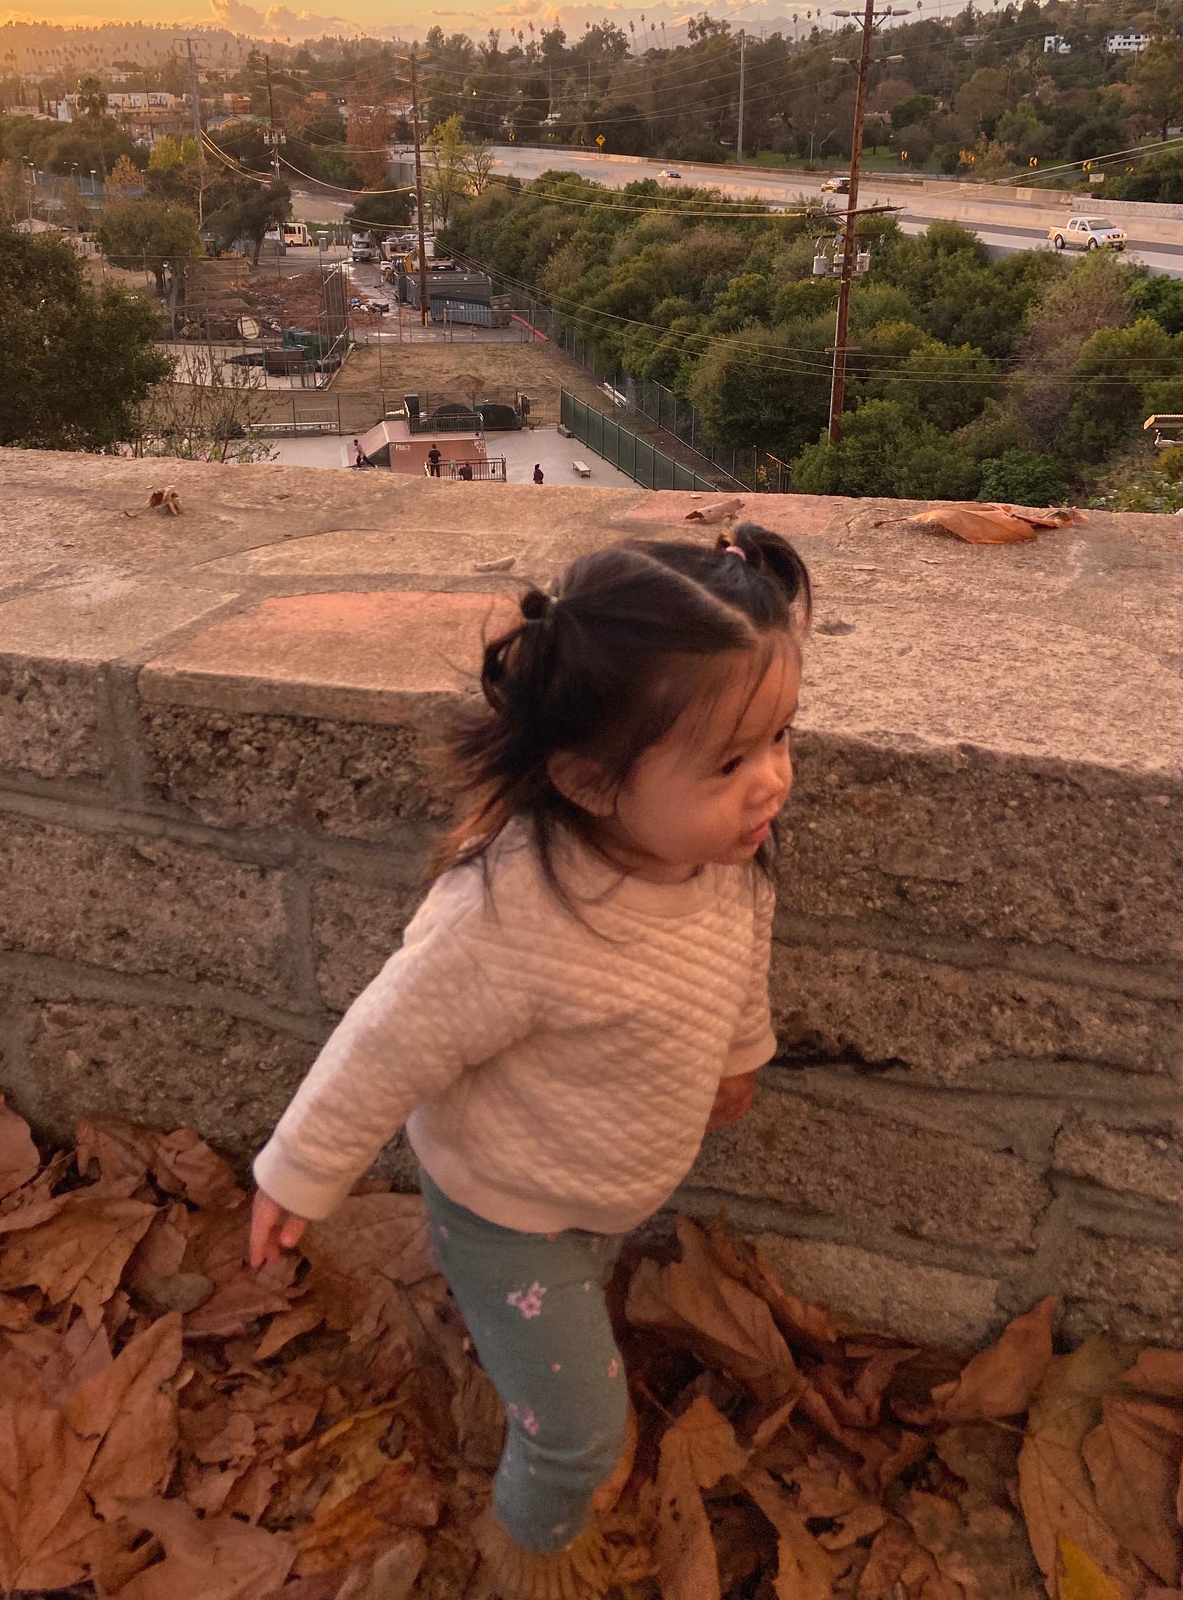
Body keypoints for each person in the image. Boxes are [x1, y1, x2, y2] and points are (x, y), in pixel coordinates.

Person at [249, 525, 810, 1599]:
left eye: (783, 735)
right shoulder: (510, 915)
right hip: (503, 1208)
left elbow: (742, 956)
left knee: (576, 1310)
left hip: (597, 1184)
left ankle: (532, 1386)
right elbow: (384, 1040)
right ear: (591, 782)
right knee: (578, 1443)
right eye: (731, 760)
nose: (772, 781)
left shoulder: (721, 857)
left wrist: (738, 1053)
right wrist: (298, 1170)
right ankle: (533, 1551)